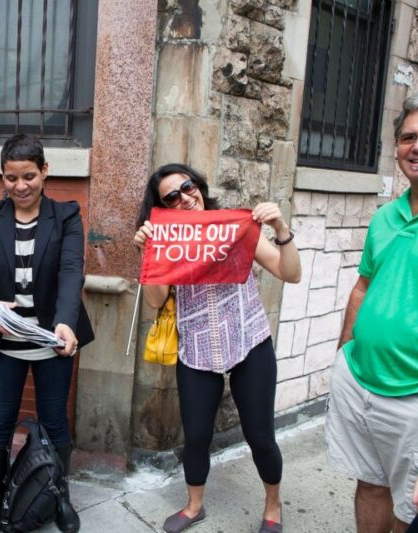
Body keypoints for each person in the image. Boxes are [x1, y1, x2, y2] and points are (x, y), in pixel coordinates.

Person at [133, 163, 301, 533]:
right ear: (163, 207)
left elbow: (290, 273)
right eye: (171, 197)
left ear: (199, 187)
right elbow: (155, 302)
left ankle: (273, 506)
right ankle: (194, 506)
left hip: (248, 341)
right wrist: (151, 252)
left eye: (187, 187)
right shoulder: (168, 239)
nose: (183, 197)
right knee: (195, 436)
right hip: (196, 350)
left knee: (260, 435)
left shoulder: (235, 228)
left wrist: (281, 230)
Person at [326, 90, 418, 533]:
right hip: (359, 381)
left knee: (414, 503)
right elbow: (363, 286)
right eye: (408, 136)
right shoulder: (385, 216)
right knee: (370, 483)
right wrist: (343, 355)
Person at [0, 133, 94, 533]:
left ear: (44, 172)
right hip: (4, 341)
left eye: (28, 176)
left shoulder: (66, 216)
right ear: (2, 177)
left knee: (55, 421)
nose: (20, 186)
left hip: (51, 340)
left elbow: (72, 271)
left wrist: (65, 321)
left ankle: (60, 498)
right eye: (10, 177)